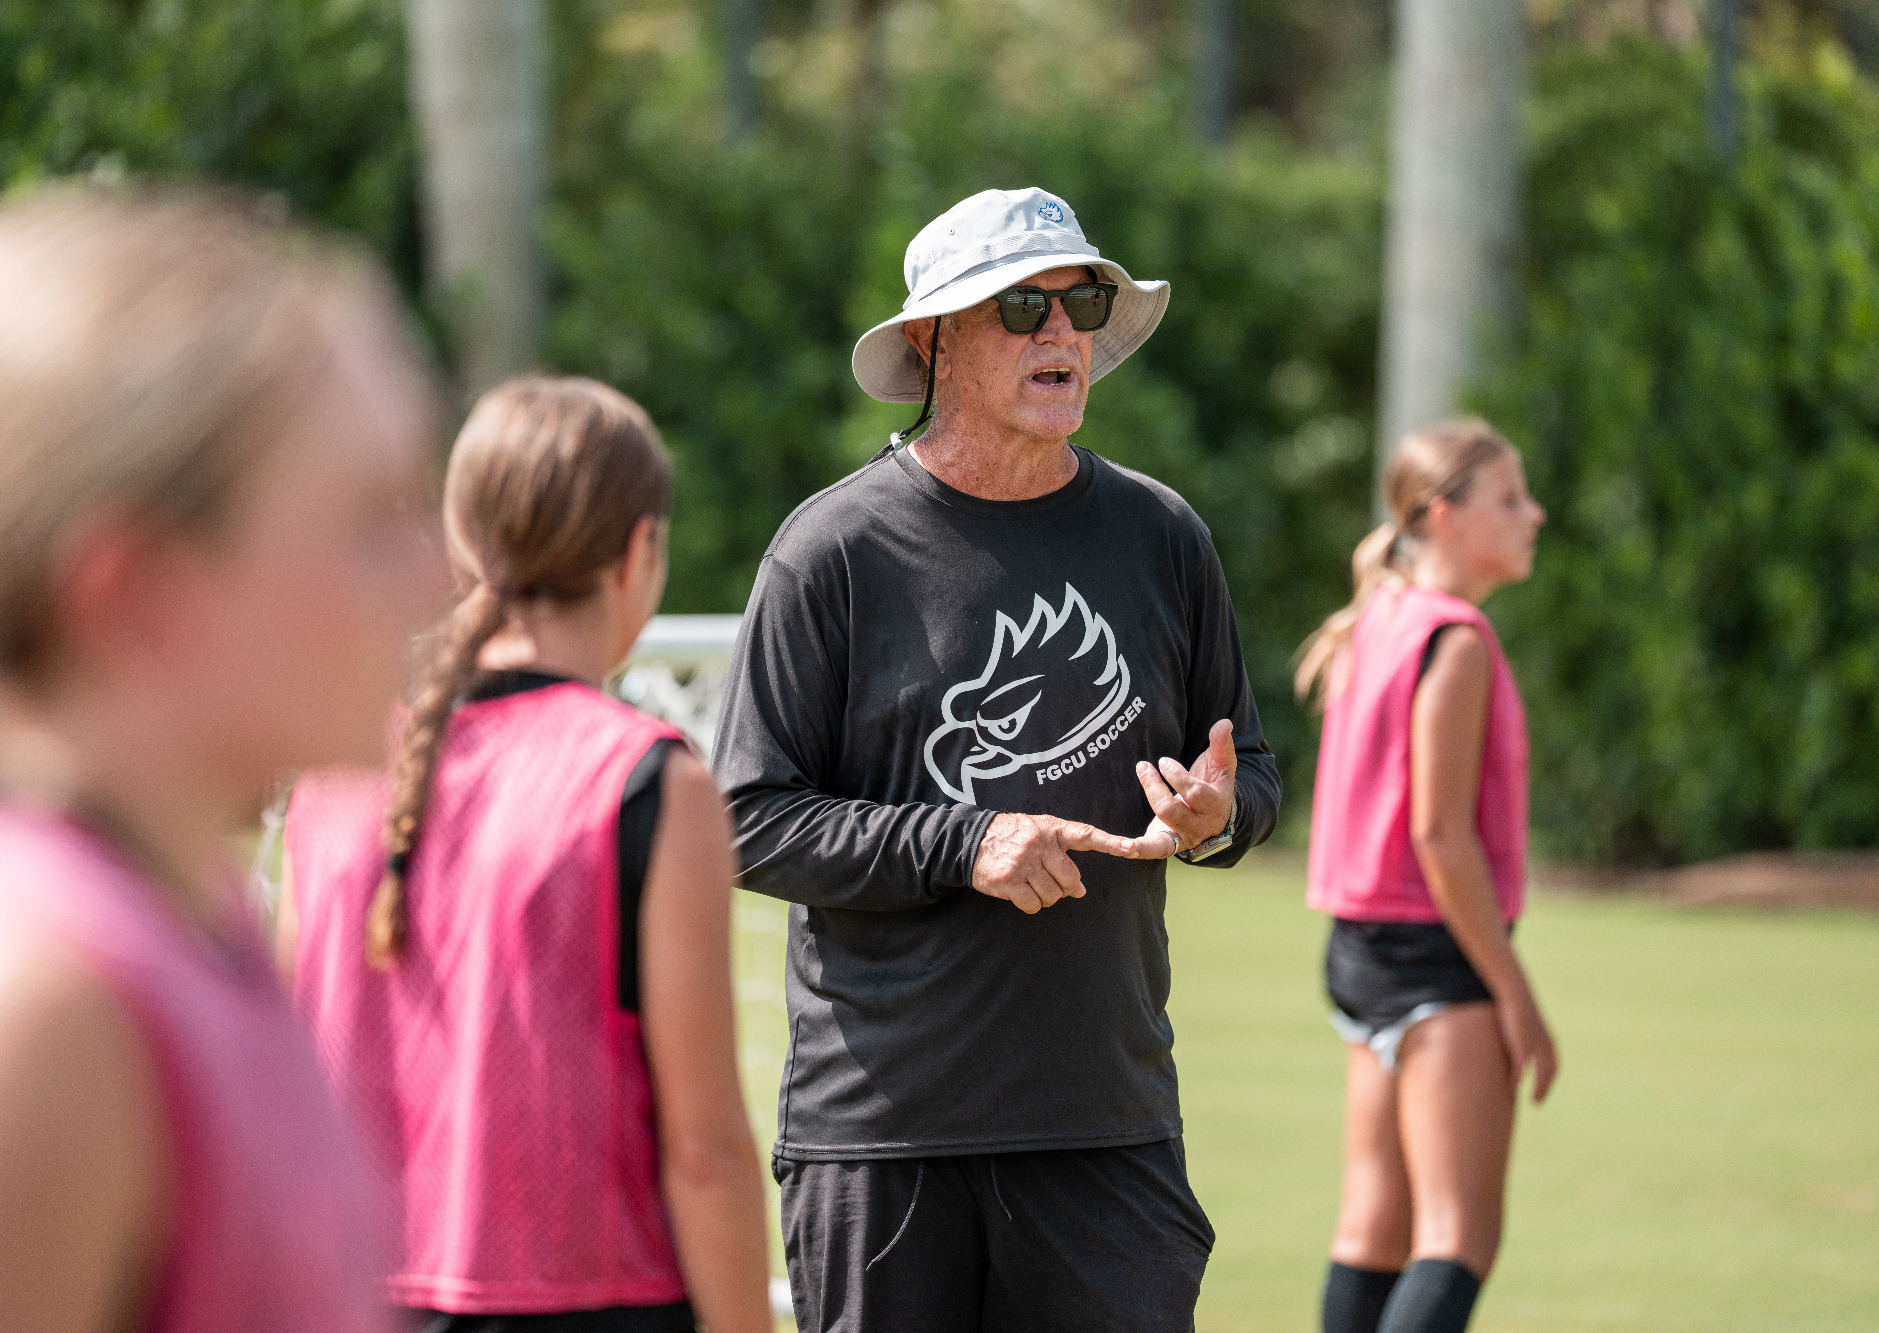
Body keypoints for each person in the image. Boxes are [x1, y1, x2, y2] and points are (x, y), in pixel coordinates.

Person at [710, 186, 1283, 1333]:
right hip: (883, 1138)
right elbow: (745, 817)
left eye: (1079, 301)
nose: (1062, 330)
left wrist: (1217, 815)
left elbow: (1252, 771)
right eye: (1021, 306)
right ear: (934, 341)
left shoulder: (1163, 537)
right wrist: (962, 840)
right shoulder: (830, 552)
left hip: (1105, 1127)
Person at [0, 187, 441, 1332]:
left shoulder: (185, 904)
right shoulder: (47, 1012)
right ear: (135, 593)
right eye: (370, 515)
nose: (437, 576)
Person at [282, 376, 772, 1333]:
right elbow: (705, 1149)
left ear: (460, 545)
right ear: (641, 552)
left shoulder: (329, 775)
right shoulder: (648, 780)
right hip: (592, 1303)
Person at [1296, 418, 1559, 1333]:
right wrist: (1515, 995)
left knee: (1372, 1227)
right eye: (1510, 498)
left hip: (1358, 952)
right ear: (1444, 516)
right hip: (1434, 955)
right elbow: (1442, 838)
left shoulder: (1379, 619)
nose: (1535, 514)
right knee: (1459, 1237)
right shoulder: (1457, 640)